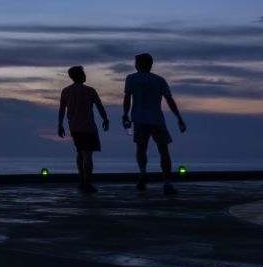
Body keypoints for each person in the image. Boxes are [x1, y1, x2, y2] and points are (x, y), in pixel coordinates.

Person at [122, 52, 187, 194]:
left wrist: (125, 115)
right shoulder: (159, 80)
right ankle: (167, 183)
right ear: (150, 64)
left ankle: (143, 173)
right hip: (157, 120)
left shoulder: (131, 78)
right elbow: (170, 100)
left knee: (141, 149)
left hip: (139, 119)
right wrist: (179, 118)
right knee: (164, 151)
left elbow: (127, 98)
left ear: (138, 64)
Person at [58, 65, 109, 192]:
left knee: (80, 152)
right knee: (87, 154)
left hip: (74, 127)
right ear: (80, 75)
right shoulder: (90, 90)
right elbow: (99, 107)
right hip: (88, 127)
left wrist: (60, 125)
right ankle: (87, 183)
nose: (85, 75)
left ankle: (81, 180)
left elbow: (61, 110)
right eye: (84, 73)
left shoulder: (66, 91)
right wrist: (105, 120)